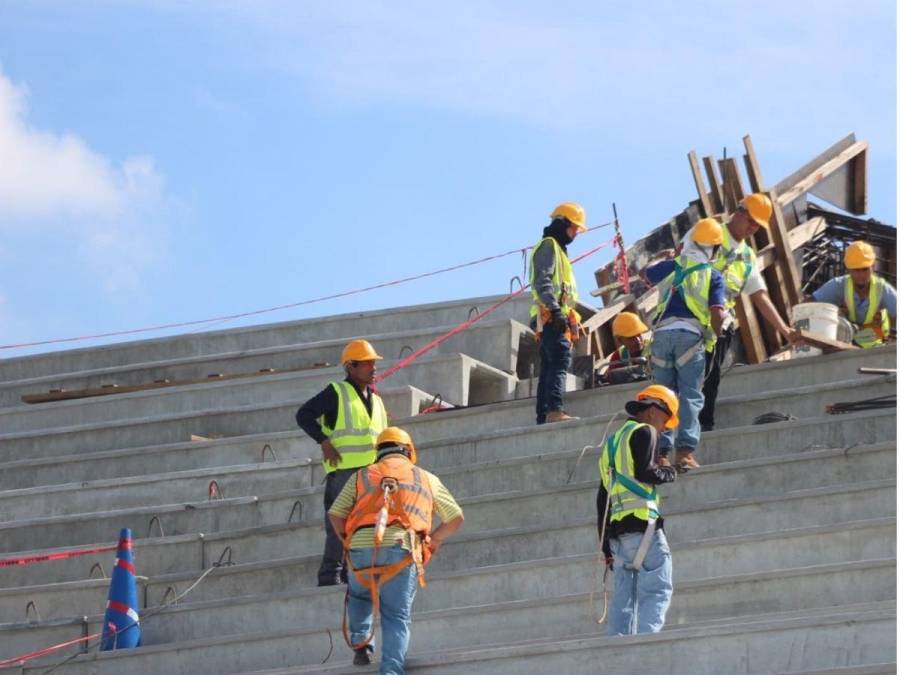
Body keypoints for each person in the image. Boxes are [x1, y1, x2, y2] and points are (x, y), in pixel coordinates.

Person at [329, 427, 464, 673]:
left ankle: (361, 643)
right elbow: (455, 518)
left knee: (360, 595)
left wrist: (347, 541)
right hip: (401, 548)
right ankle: (390, 671)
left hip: (360, 546)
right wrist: (432, 540)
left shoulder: (362, 476)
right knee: (395, 616)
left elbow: (336, 513)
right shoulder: (426, 478)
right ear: (409, 451)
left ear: (378, 451)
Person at [697, 193, 800, 432]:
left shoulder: (747, 255)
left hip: (719, 324)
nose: (753, 228)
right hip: (692, 317)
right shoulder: (710, 232)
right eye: (751, 221)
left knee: (710, 379)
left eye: (758, 225)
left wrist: (784, 330)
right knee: (687, 376)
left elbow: (759, 295)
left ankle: (704, 425)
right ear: (738, 211)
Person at [296, 338, 388, 586]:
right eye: (367, 363)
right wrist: (324, 441)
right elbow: (303, 415)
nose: (373, 367)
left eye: (374, 363)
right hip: (344, 472)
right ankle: (330, 575)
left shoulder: (377, 400)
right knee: (339, 525)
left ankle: (351, 573)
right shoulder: (336, 392)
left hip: (371, 474)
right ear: (351, 367)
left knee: (364, 526)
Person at [644, 218, 726, 471]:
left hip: (662, 338)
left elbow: (645, 273)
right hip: (690, 339)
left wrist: (660, 257)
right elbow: (718, 313)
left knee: (663, 398)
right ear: (713, 248)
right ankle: (685, 454)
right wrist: (717, 332)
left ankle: (661, 455)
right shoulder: (713, 275)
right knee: (690, 396)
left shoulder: (671, 265)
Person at [597, 384, 679, 636]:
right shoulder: (645, 432)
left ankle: (618, 650)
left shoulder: (612, 443)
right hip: (645, 528)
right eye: (666, 420)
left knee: (624, 600)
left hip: (618, 535)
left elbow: (603, 497)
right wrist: (669, 471)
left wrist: (605, 547)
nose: (665, 428)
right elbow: (646, 472)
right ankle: (648, 648)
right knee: (656, 590)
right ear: (654, 410)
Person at [529, 202, 588, 424]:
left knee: (549, 364)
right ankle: (554, 410)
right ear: (563, 223)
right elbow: (543, 280)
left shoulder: (558, 250)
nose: (576, 234)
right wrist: (555, 309)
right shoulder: (549, 246)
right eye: (574, 228)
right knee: (559, 360)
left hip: (552, 315)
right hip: (549, 315)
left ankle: (544, 415)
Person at [811, 240, 896, 348]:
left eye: (865, 269)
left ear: (873, 267)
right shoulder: (839, 285)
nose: (861, 275)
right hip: (844, 342)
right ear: (848, 269)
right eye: (856, 270)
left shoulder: (882, 289)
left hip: (874, 345)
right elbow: (809, 305)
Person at [602, 312, 651, 385]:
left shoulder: (653, 348)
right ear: (620, 340)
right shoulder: (618, 356)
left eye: (639, 335)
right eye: (631, 337)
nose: (637, 340)